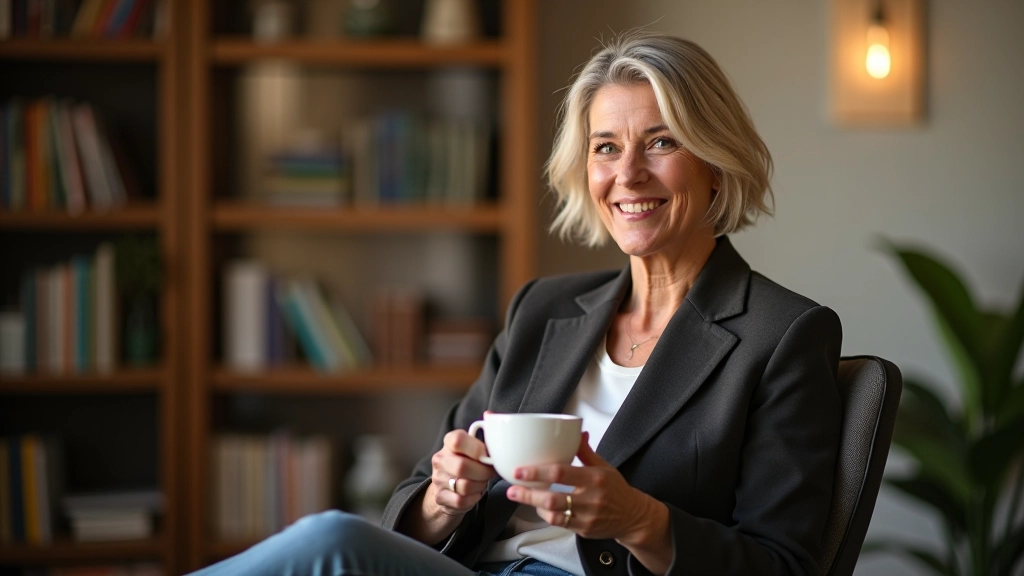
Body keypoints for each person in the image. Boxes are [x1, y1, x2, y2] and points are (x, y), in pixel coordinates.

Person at [189, 31, 842, 576]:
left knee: (331, 543)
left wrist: (639, 520)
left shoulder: (781, 334)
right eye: (605, 147)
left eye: (662, 141)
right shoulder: (545, 308)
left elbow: (783, 565)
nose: (628, 173)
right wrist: (445, 499)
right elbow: (420, 494)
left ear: (716, 164)